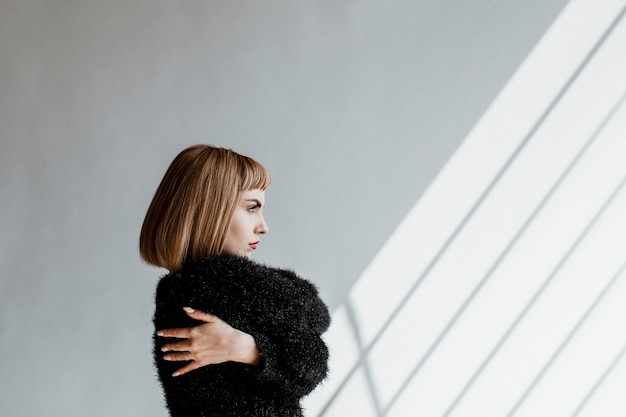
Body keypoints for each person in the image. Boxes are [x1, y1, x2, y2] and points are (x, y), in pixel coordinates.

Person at [139, 145, 330, 417]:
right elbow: (312, 357)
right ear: (209, 209)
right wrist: (254, 350)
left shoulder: (182, 287)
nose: (263, 226)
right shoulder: (205, 286)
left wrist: (249, 349)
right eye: (251, 208)